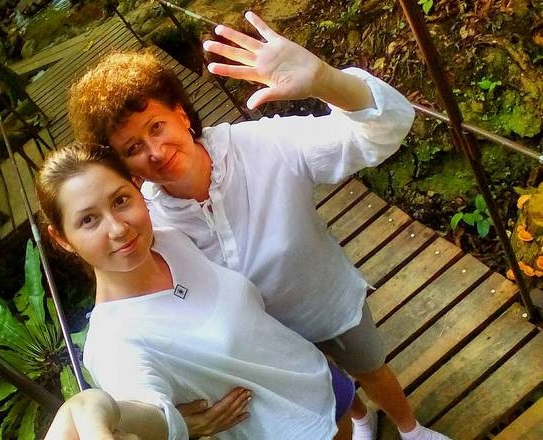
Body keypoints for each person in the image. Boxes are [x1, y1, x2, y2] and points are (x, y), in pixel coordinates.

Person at [68, 10, 451, 440]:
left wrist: (325, 80)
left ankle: (410, 429)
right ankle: (361, 418)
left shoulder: (265, 147)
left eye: (156, 126)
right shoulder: (147, 222)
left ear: (181, 114)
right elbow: (131, 307)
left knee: (371, 369)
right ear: (126, 166)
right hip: (265, 346)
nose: (155, 151)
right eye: (133, 147)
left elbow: (378, 134)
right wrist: (173, 420)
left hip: (324, 303)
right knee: (330, 381)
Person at [37, 141, 356, 439]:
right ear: (62, 239)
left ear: (137, 188)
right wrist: (111, 413)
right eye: (89, 220)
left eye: (120, 201)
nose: (118, 228)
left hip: (316, 373)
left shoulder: (170, 240)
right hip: (295, 429)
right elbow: (143, 408)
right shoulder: (113, 343)